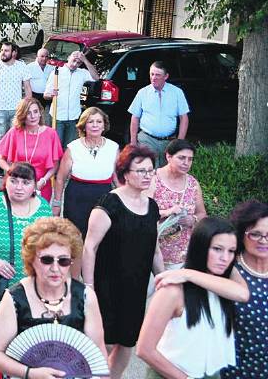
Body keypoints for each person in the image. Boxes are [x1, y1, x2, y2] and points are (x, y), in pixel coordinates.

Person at [0, 217, 108, 379]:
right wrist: (30, 373)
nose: (55, 268)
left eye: (63, 261)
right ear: (32, 260)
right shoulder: (15, 298)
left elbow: (99, 357)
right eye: (47, 260)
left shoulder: (85, 297)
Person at [81, 144, 165, 379]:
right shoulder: (109, 204)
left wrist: (164, 280)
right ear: (125, 173)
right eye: (141, 171)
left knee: (127, 342)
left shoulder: (152, 207)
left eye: (150, 171)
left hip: (136, 287)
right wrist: (89, 288)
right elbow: (90, 247)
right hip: (107, 286)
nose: (147, 175)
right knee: (104, 343)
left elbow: (155, 250)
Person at [0, 162, 53, 378]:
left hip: (25, 292)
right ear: (6, 181)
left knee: (13, 342)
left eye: (25, 182)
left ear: (35, 185)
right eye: (13, 180)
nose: (19, 187)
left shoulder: (43, 208)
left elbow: (51, 244)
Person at [137, 217, 249, 379]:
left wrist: (188, 274)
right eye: (217, 249)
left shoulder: (224, 283)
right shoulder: (173, 291)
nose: (225, 258)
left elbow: (243, 294)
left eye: (231, 251)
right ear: (200, 247)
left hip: (211, 373)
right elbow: (144, 349)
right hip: (171, 374)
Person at [52, 107, 119, 237]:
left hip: (104, 198)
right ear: (84, 125)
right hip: (77, 198)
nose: (95, 125)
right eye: (90, 122)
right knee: (75, 238)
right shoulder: (73, 147)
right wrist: (57, 203)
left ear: (104, 125)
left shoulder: (113, 147)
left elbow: (117, 178)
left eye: (99, 122)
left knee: (103, 238)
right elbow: (60, 178)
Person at [221, 200, 268, 379]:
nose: (263, 241)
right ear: (241, 234)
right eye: (255, 234)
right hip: (234, 367)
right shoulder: (226, 269)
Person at [146, 139, 207, 270]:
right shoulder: (152, 179)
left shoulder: (193, 183)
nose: (186, 163)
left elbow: (202, 213)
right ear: (168, 156)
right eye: (181, 158)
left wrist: (193, 219)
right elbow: (142, 212)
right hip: (154, 252)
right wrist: (167, 213)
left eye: (190, 159)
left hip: (184, 255)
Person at [0, 97, 62, 200]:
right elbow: (1, 159)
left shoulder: (51, 134)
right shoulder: (14, 132)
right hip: (17, 185)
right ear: (22, 115)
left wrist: (43, 181)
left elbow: (55, 164)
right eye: (28, 113)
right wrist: (12, 172)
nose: (33, 116)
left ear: (40, 113)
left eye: (35, 112)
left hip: (41, 186)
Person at [129, 61, 190, 167]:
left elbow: (184, 118)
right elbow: (135, 117)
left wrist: (179, 141)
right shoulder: (142, 93)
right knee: (149, 169)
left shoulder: (177, 92)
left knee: (166, 171)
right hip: (146, 139)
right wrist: (133, 141)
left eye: (158, 75)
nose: (153, 78)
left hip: (169, 141)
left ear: (166, 76)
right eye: (152, 74)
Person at [0, 42, 33, 178]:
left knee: (15, 139)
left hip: (16, 109)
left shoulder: (22, 67)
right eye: (2, 50)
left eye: (6, 50)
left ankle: (14, 166)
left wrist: (27, 106)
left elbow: (28, 88)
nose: (3, 53)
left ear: (13, 53)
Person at [44, 50, 99, 148]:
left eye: (78, 62)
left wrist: (85, 60)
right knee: (56, 147)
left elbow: (96, 78)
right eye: (73, 60)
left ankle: (66, 163)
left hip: (73, 117)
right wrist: (51, 94)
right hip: (58, 116)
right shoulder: (57, 72)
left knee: (69, 147)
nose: (75, 64)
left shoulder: (82, 73)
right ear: (68, 58)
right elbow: (46, 95)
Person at [27, 48, 55, 125]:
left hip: (48, 96)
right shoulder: (29, 67)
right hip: (35, 95)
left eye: (46, 57)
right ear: (37, 56)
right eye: (42, 56)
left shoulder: (52, 68)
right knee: (35, 116)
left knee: (49, 118)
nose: (44, 58)